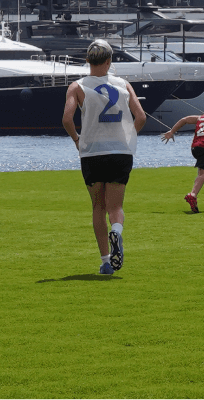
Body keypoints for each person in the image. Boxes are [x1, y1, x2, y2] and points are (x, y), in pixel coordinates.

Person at [61, 39, 146, 275]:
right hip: (120, 152)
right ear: (109, 61)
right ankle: (116, 231)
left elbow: (67, 119)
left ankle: (106, 261)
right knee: (115, 206)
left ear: (87, 60)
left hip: (92, 153)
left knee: (98, 206)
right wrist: (128, 137)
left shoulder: (77, 86)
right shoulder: (124, 84)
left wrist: (77, 140)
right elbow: (141, 117)